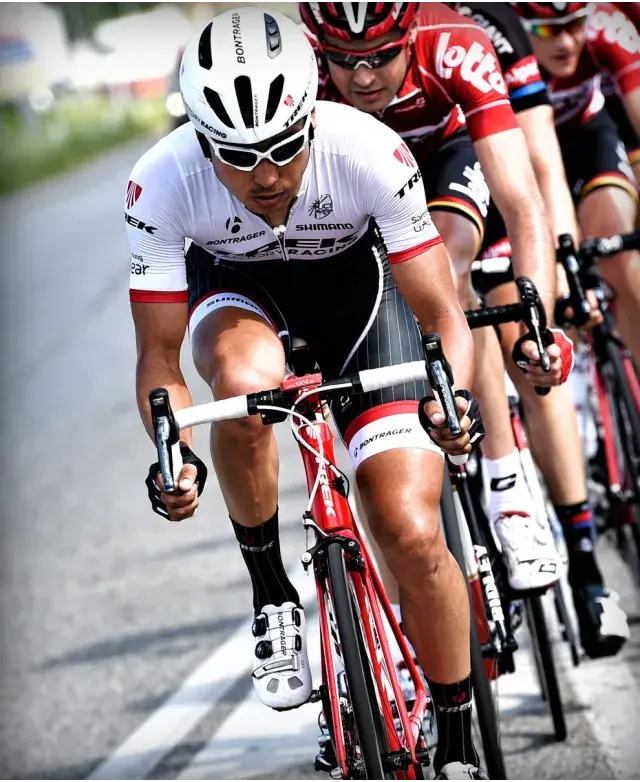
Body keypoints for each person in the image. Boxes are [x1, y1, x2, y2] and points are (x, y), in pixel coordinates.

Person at [126, 7, 505, 780]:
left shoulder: (367, 149)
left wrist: (451, 398)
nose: (265, 177)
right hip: (240, 295)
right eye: (238, 157)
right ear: (201, 141)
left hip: (360, 299)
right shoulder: (159, 182)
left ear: (311, 115)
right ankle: (271, 591)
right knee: (242, 384)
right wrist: (175, 456)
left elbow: (441, 313)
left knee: (408, 528)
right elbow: (160, 362)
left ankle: (457, 733)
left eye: (283, 148)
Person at [300, 0, 628, 658]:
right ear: (318, 46)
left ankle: (514, 492)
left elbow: (526, 194)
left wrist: (539, 317)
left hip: (450, 164)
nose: (362, 76)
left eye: (380, 56)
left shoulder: (463, 39)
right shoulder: (300, 74)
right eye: (344, 59)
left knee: (461, 281)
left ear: (410, 31)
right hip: (362, 189)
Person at [451, 0, 631, 658]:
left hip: (498, 182)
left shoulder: (493, 22)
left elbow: (541, 166)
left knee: (534, 351)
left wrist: (563, 262)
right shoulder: (369, 35)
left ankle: (585, 570)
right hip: (410, 200)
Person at [510, 1, 640, 365]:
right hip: (523, 157)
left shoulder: (607, 27)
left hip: (586, 138)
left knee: (614, 245)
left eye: (575, 24)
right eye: (547, 29)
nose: (566, 42)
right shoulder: (501, 44)